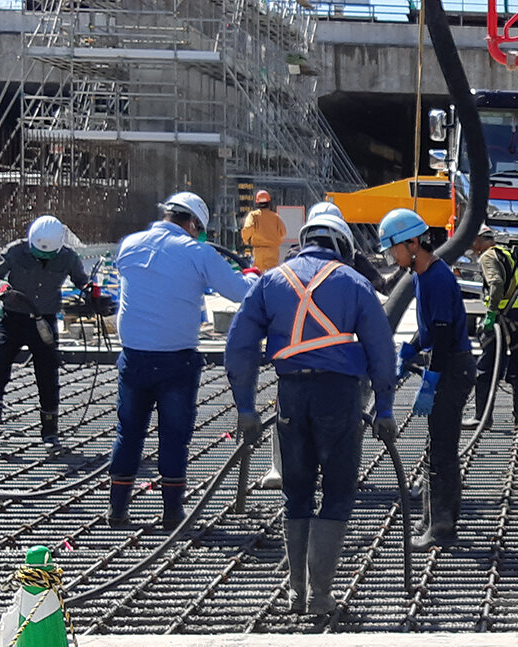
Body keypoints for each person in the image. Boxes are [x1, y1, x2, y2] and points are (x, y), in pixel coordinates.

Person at [226, 213, 396, 614]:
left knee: (296, 492)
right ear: (341, 246)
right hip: (339, 397)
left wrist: (246, 408)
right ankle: (321, 594)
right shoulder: (354, 283)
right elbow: (381, 352)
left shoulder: (271, 281)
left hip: (291, 395)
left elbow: (240, 346)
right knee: (337, 491)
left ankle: (296, 593)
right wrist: (385, 408)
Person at [107, 192, 254, 529]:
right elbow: (240, 291)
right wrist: (255, 276)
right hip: (176, 362)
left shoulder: (130, 244)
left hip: (133, 359)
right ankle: (172, 513)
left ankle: (117, 510)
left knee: (128, 433)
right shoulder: (198, 252)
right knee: (174, 436)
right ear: (192, 223)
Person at [377, 208, 475, 551]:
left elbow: (446, 334)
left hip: (454, 366)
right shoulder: (421, 273)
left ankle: (442, 528)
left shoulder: (437, 277)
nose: (392, 255)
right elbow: (431, 328)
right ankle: (431, 517)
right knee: (435, 446)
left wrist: (432, 379)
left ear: (413, 243)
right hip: (447, 363)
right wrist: (412, 348)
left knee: (443, 450)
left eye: (394, 249)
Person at [0, 216, 90, 447]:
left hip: (44, 323)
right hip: (12, 320)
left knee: (47, 375)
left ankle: (49, 431)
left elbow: (81, 281)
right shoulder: (15, 252)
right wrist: (2, 286)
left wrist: (91, 293)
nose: (42, 257)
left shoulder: (68, 257)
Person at [461, 225, 518, 431]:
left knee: (486, 367)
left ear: (479, 239)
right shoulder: (507, 254)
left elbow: (496, 283)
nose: (471, 246)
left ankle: (482, 418)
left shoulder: (488, 256)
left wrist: (491, 313)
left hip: (504, 317)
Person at [241, 189, 287, 272]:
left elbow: (248, 228)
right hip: (273, 251)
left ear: (257, 202)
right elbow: (283, 232)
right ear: (269, 202)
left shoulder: (253, 215)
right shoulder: (275, 217)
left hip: (259, 251)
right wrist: (275, 241)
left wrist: (246, 240)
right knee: (272, 276)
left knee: (258, 275)